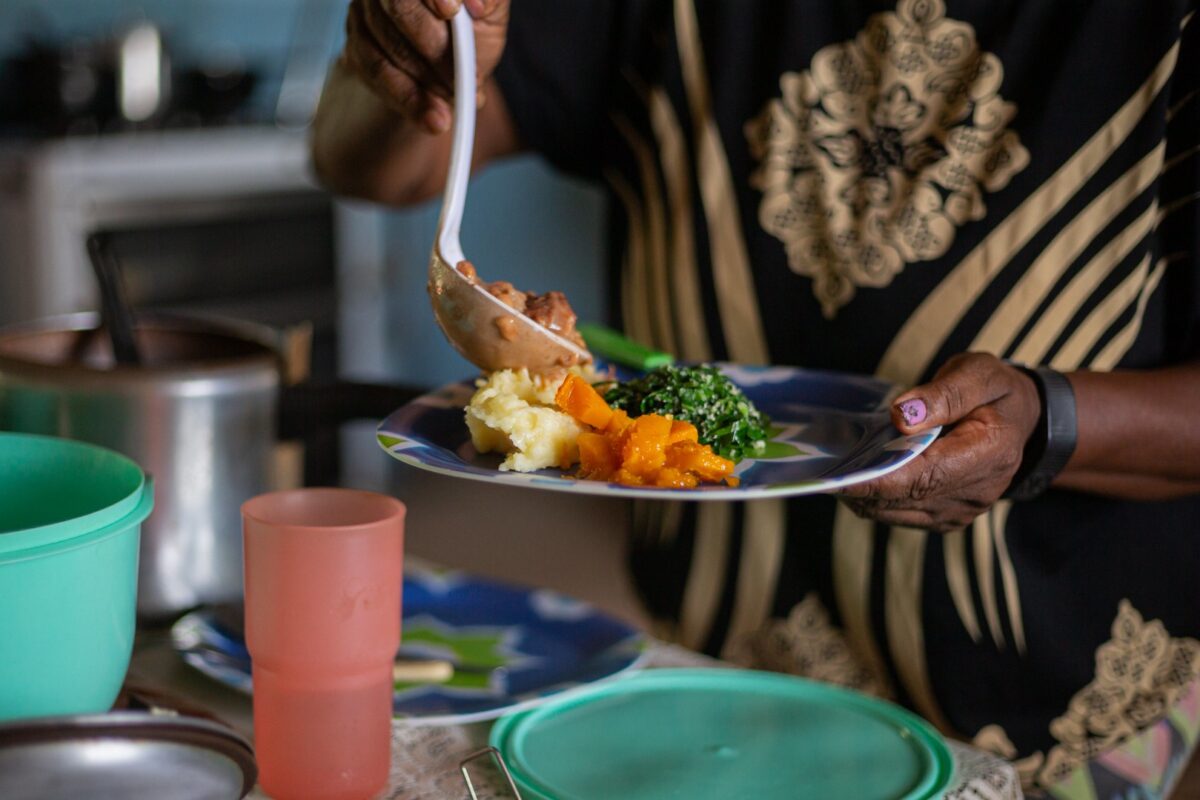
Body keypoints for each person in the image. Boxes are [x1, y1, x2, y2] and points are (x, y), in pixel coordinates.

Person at [312, 1, 1200, 795]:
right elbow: (366, 166)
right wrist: (394, 57)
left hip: (1051, 725)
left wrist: (1050, 421)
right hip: (709, 696)